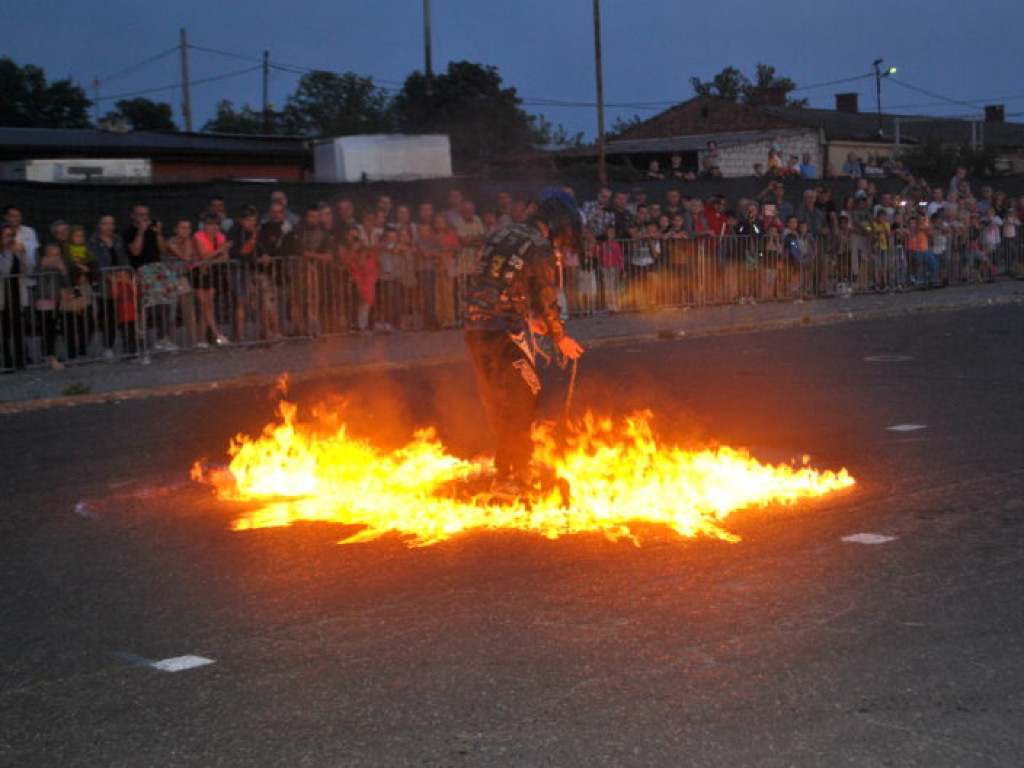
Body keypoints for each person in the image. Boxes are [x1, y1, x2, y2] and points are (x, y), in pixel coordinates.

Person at [463, 188, 585, 499]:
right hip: (501, 332)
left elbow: (498, 279)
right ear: (559, 225)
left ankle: (513, 467)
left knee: (503, 400)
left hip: (476, 329)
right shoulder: (539, 244)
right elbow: (545, 293)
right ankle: (509, 477)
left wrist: (529, 319)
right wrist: (560, 336)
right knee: (524, 394)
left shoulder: (503, 233)